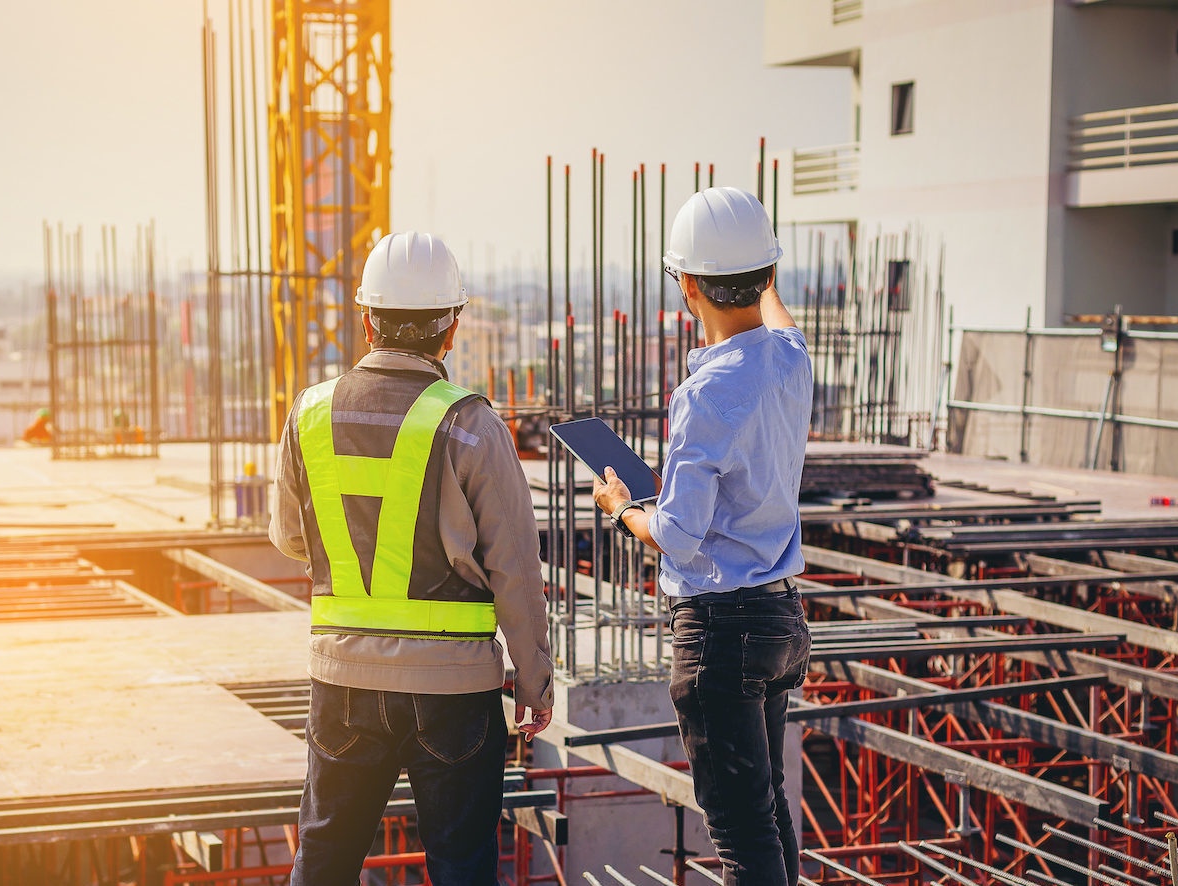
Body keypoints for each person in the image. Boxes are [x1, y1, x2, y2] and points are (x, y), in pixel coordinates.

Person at [269, 232, 553, 886]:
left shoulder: (307, 413)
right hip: (453, 694)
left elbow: (290, 539)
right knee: (463, 872)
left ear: (367, 320)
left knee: (323, 865)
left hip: (342, 684)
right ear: (450, 331)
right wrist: (534, 680)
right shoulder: (470, 424)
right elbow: (515, 568)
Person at [592, 187, 814, 886]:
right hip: (781, 619)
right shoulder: (789, 359)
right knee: (767, 813)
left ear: (686, 283)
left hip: (722, 632)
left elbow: (680, 535)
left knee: (743, 833)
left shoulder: (708, 391)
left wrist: (622, 507)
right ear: (766, 273)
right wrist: (759, 260)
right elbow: (775, 312)